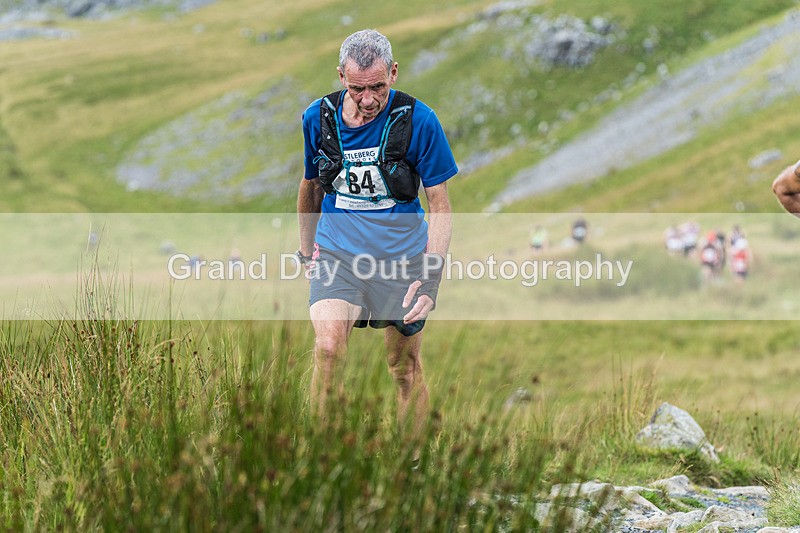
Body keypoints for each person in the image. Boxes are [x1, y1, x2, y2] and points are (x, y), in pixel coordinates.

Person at [296, 30, 458, 448]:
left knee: (403, 369)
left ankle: (413, 464)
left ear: (394, 72)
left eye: (378, 87)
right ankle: (321, 458)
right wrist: (304, 250)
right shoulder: (318, 117)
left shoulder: (420, 121)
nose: (368, 100)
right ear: (340, 77)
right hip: (338, 253)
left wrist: (431, 275)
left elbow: (438, 204)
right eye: (356, 88)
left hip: (402, 260)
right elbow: (311, 185)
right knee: (328, 349)